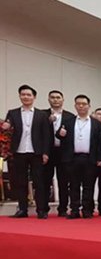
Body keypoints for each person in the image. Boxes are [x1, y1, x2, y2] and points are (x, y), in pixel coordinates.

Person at [1, 84, 51, 219]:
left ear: (34, 97)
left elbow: (46, 135)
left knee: (39, 182)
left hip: (37, 152)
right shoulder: (13, 113)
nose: (26, 97)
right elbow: (7, 128)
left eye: (28, 95)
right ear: (19, 96)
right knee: (20, 182)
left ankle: (41, 210)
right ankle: (22, 209)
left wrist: (46, 153)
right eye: (23, 94)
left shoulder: (42, 114)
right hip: (19, 151)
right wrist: (6, 126)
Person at [55, 95, 101, 219]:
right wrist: (60, 134)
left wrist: (100, 159)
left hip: (90, 158)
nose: (81, 106)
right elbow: (59, 135)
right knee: (73, 185)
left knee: (89, 186)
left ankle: (87, 210)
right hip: (72, 158)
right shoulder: (68, 121)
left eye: (84, 104)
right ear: (75, 106)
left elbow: (100, 143)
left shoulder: (96, 123)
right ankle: (74, 210)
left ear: (89, 106)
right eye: (78, 104)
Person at [43, 90, 74, 217]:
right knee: (45, 181)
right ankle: (43, 209)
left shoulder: (70, 116)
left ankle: (63, 208)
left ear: (63, 100)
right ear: (48, 100)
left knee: (64, 182)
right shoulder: (42, 115)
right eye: (53, 97)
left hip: (64, 152)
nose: (55, 100)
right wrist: (48, 122)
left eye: (58, 97)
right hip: (47, 152)